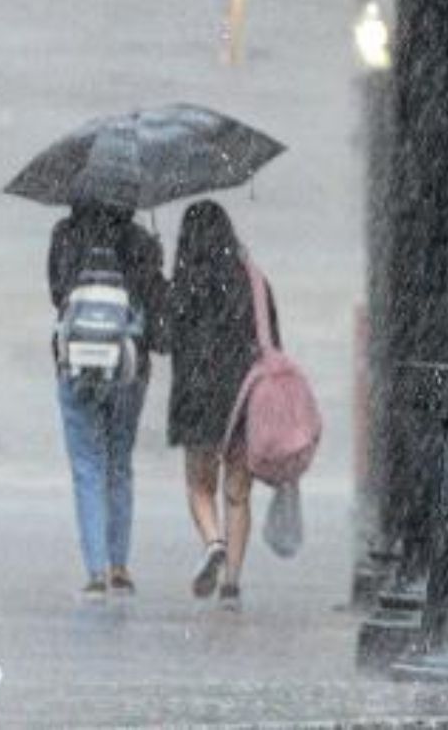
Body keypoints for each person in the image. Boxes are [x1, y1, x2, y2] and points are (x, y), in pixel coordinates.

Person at [45, 200, 167, 599]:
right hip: (128, 367)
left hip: (77, 363)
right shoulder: (141, 241)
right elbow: (154, 307)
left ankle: (95, 570)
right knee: (119, 463)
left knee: (87, 466)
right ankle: (120, 567)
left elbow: (57, 294)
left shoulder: (65, 236)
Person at [167, 200, 278, 610]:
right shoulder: (253, 281)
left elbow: (163, 339)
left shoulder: (184, 283)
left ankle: (213, 542)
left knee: (199, 486)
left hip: (197, 397)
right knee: (238, 492)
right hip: (244, 396)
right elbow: (272, 342)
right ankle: (231, 584)